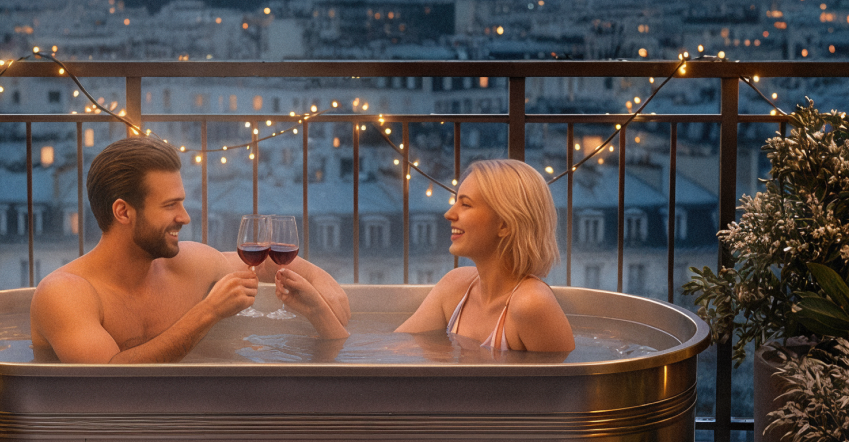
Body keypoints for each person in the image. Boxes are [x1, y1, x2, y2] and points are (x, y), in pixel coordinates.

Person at [31, 135, 348, 363]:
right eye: (170, 205)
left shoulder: (190, 265)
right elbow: (110, 383)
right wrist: (208, 312)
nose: (184, 217)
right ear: (123, 212)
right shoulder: (64, 294)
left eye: (181, 202)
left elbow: (263, 264)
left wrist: (319, 292)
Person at [392, 159, 574, 353]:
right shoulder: (456, 286)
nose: (449, 214)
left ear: (504, 224)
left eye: (466, 205)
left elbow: (567, 382)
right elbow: (393, 350)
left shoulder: (531, 304)